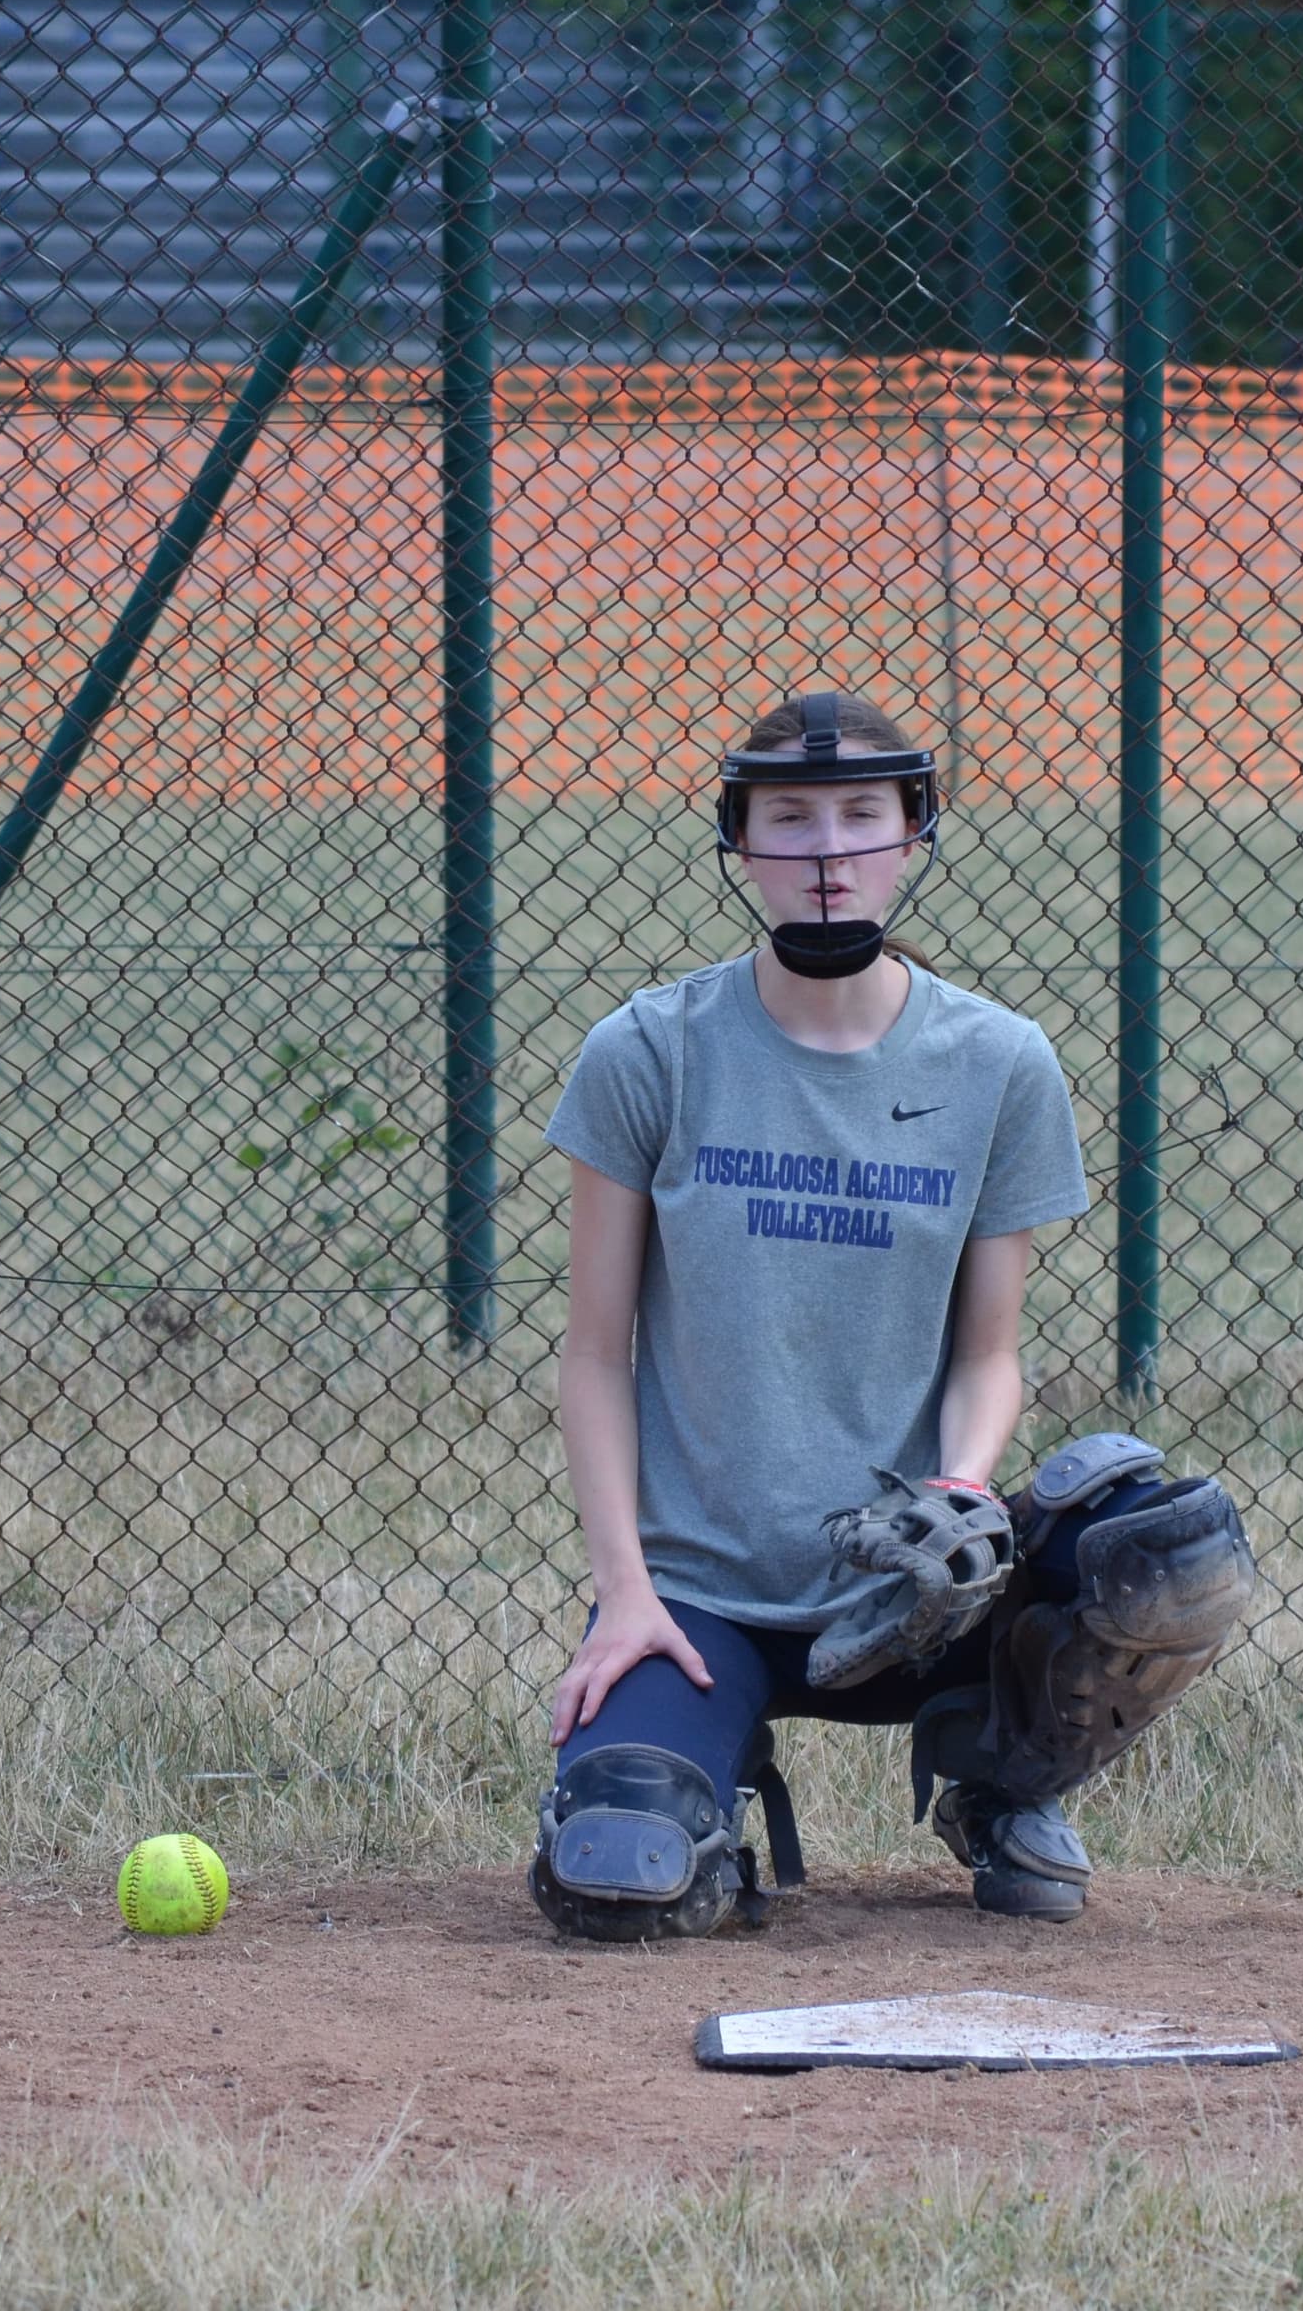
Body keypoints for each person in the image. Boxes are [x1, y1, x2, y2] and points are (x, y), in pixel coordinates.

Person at [525, 691, 1259, 1937]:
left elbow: (991, 1353)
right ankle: (699, 1780)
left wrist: (965, 1488)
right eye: (789, 817)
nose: (826, 849)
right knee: (620, 1864)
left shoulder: (998, 1060)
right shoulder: (650, 1050)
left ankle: (999, 1779)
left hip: (923, 1586)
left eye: (862, 814)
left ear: (913, 832)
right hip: (702, 1594)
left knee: (1168, 1542)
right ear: (739, 839)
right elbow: (594, 1357)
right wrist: (625, 1589)